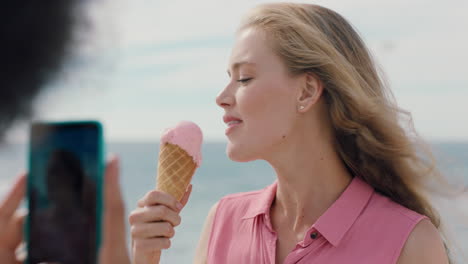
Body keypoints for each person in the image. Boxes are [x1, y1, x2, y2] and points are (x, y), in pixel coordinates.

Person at [130, 3, 453, 264]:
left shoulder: (409, 244)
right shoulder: (223, 222)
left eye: (243, 79)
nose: (222, 96)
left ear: (306, 92)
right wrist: (146, 257)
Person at [0, 1, 130, 263]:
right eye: (51, 177)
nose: (53, 184)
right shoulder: (46, 223)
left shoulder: (72, 225)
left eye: (57, 176)